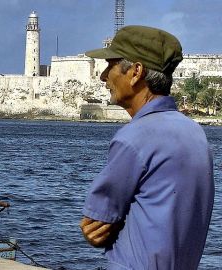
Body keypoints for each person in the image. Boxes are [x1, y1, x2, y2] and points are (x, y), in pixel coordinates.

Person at [80, 25, 215, 269]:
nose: (103, 76)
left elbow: (95, 226)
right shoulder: (196, 134)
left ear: (135, 72)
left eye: (110, 66)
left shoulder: (134, 138)